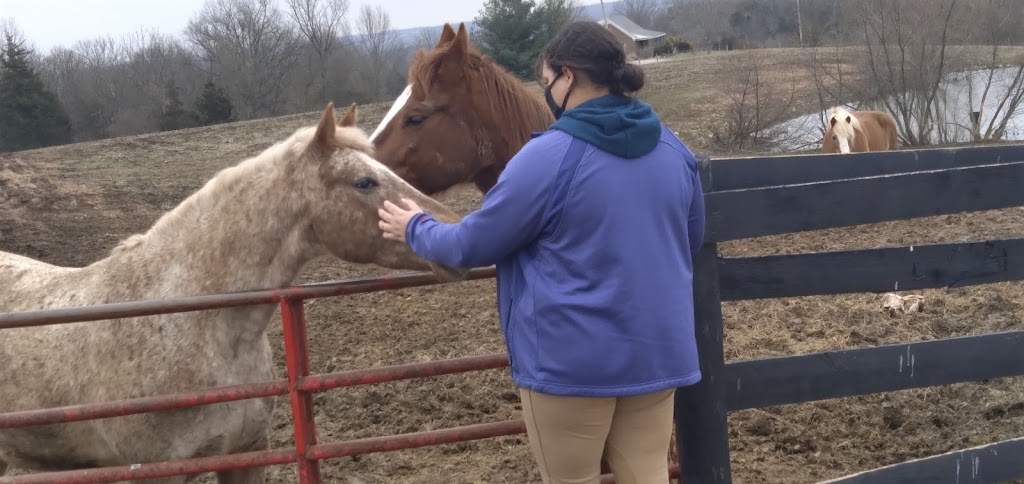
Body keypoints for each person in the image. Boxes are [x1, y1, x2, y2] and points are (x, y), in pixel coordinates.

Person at [378, 20, 705, 484]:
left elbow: (470, 244)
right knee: (648, 475)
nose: (545, 91)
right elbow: (688, 240)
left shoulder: (547, 157)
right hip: (658, 359)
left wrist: (415, 226)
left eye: (546, 80)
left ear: (567, 77)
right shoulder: (674, 150)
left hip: (572, 368)